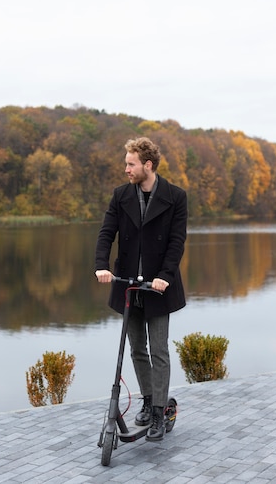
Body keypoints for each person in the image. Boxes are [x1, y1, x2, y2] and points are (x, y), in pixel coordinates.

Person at [95, 136, 187, 441]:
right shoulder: (121, 196)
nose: (126, 169)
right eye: (126, 163)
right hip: (128, 289)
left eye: (130, 163)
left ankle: (160, 412)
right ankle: (148, 401)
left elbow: (176, 243)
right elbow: (107, 232)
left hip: (158, 287)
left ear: (147, 165)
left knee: (159, 350)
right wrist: (101, 265)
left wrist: (164, 276)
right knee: (136, 348)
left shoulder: (175, 197)